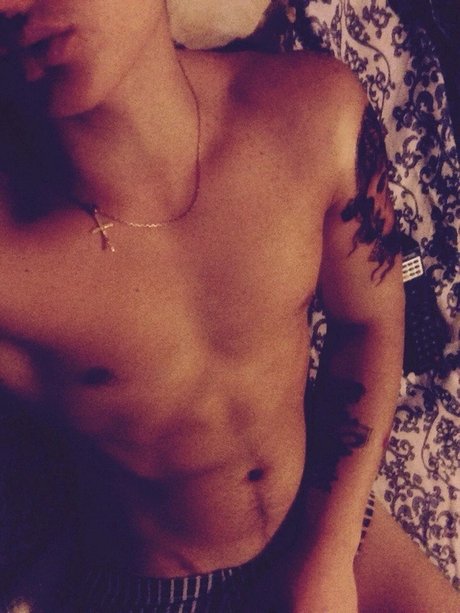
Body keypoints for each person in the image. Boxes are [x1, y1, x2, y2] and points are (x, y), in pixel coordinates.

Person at [0, 0, 412, 611]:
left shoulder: (314, 114)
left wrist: (330, 551)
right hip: (162, 589)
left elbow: (369, 324)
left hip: (330, 520)